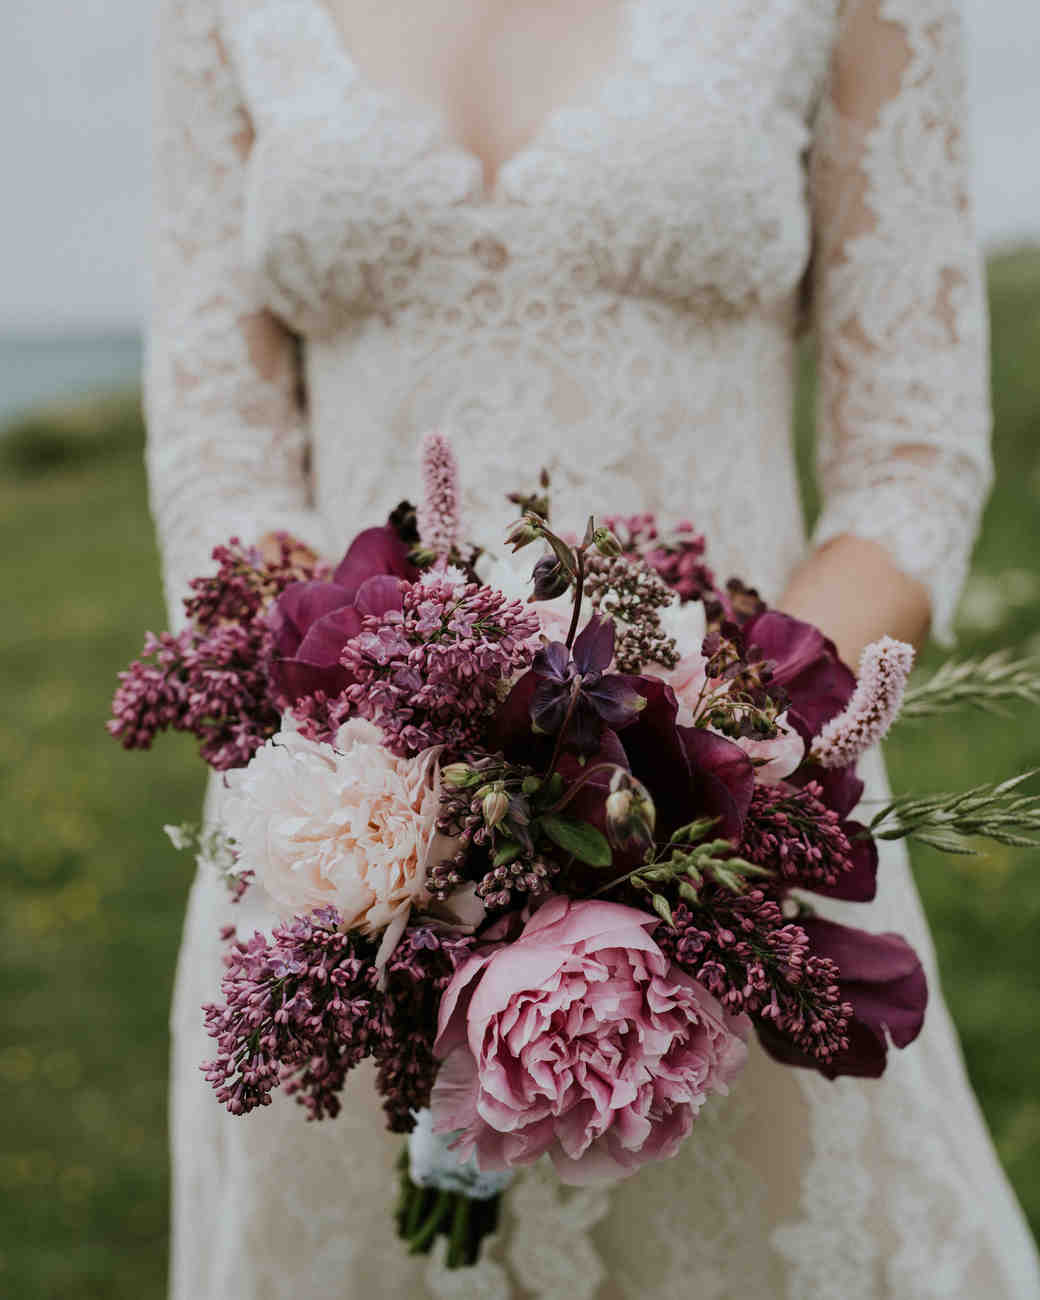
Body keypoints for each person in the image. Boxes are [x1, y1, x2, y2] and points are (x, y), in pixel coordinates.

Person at [147, 0, 1040, 1295]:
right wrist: (407, 786)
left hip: (729, 856)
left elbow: (912, 456)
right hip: (339, 882)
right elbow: (218, 454)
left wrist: (701, 767)